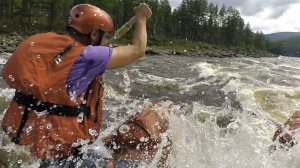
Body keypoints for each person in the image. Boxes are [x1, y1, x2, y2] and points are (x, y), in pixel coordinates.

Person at [1, 3, 170, 167]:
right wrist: (141, 19)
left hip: (20, 145)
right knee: (110, 156)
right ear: (95, 34)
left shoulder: (41, 45)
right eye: (105, 36)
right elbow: (138, 50)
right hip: (57, 159)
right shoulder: (90, 56)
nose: (107, 40)